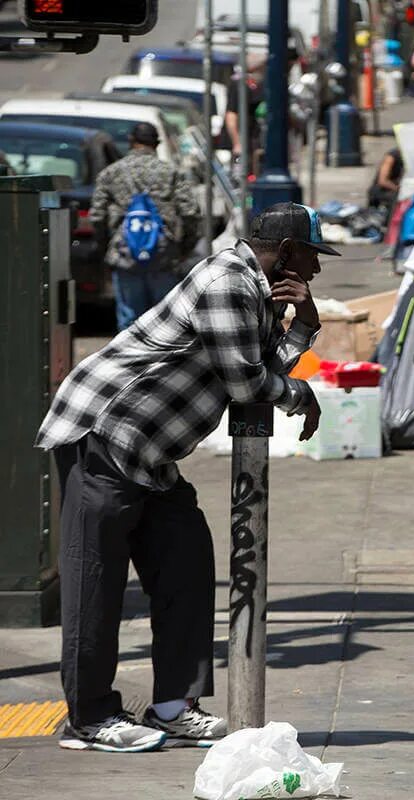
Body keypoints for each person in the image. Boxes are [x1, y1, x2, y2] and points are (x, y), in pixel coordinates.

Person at [34, 203, 337, 753]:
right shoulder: (227, 281)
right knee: (95, 582)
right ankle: (89, 717)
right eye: (313, 258)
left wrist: (307, 322)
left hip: (152, 453)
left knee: (187, 564)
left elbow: (266, 366)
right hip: (105, 434)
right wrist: (301, 397)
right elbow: (248, 382)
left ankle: (174, 704)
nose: (315, 271)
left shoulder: (257, 289)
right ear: (288, 252)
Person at [91, 122, 200, 331]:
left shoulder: (111, 173)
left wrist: (106, 247)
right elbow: (190, 212)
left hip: (126, 255)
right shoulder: (170, 172)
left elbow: (97, 215)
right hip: (163, 255)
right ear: (156, 144)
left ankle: (132, 362)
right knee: (166, 321)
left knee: (129, 321)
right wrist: (184, 248)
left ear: (132, 142)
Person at [368, 145, 405, 212]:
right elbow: (382, 181)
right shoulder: (392, 156)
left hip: (394, 189)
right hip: (382, 191)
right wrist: (398, 189)